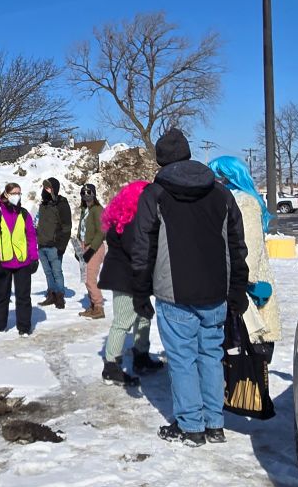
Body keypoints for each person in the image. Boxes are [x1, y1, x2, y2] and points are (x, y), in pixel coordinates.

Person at [132, 129, 249, 447]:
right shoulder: (221, 193)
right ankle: (214, 423)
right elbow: (237, 244)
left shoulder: (154, 194)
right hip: (215, 291)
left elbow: (142, 247)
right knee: (210, 355)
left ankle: (191, 426)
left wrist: (140, 291)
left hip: (174, 292)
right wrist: (238, 287)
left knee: (183, 359)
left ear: (160, 160)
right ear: (187, 153)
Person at [208, 156, 281, 361]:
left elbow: (249, 247)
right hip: (233, 280)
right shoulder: (229, 199)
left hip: (246, 284)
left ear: (227, 177)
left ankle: (249, 381)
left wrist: (243, 282)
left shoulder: (244, 202)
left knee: (248, 343)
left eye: (216, 177)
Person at [97, 181, 163, 387]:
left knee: (143, 317)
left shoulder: (128, 218)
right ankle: (111, 366)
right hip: (125, 278)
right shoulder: (132, 221)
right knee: (123, 321)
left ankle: (141, 356)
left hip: (134, 276)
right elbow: (137, 250)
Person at [0, 182, 39, 336]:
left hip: (23, 262)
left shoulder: (24, 214)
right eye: (14, 193)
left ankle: (24, 327)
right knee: (2, 296)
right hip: (3, 262)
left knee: (23, 297)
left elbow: (31, 237)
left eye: (19, 193)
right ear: (6, 195)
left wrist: (34, 257)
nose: (17, 196)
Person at [35, 177, 72, 309]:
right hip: (42, 245)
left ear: (54, 189)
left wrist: (61, 247)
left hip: (54, 246)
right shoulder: (43, 205)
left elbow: (67, 227)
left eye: (49, 188)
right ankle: (51, 294)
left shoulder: (61, 204)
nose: (46, 190)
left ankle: (60, 296)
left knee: (57, 272)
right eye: (45, 188)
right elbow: (38, 224)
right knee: (48, 272)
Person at [78, 183, 106, 319]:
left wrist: (91, 249)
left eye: (89, 192)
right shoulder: (85, 210)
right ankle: (93, 305)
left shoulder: (98, 209)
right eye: (83, 193)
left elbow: (101, 232)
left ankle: (99, 307)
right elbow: (82, 230)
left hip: (95, 247)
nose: (86, 195)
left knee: (90, 278)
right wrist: (79, 248)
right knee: (85, 278)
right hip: (84, 246)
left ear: (94, 194)